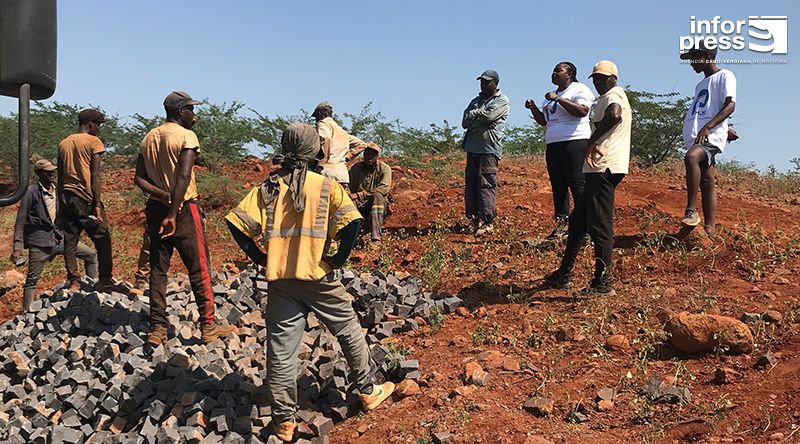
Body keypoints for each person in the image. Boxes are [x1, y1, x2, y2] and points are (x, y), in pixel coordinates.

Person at [225, 123, 395, 442]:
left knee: (281, 349)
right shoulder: (325, 185)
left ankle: (284, 422)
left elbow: (236, 223)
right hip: (317, 276)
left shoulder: (269, 187)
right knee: (347, 329)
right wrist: (336, 260)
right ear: (317, 151)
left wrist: (260, 256)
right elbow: (353, 224)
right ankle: (368, 391)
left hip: (282, 279)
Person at [133, 91, 236, 346]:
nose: (195, 115)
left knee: (158, 269)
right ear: (180, 111)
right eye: (191, 109)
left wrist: (163, 197)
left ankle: (157, 327)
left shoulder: (149, 137)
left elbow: (139, 178)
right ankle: (208, 325)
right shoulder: (186, 136)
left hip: (156, 208)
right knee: (199, 267)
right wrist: (173, 211)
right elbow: (183, 175)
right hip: (183, 210)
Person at [544, 61, 631, 297]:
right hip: (597, 168)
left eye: (603, 78)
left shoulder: (615, 94)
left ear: (614, 77)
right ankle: (564, 273)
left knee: (599, 224)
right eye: (596, 78)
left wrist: (591, 142)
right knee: (578, 222)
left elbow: (614, 115)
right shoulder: (606, 96)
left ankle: (603, 283)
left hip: (605, 166)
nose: (599, 82)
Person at [11, 159, 98, 310]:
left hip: (60, 238)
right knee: (32, 280)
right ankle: (27, 314)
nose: (51, 174)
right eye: (47, 172)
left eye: (52, 171)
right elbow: (20, 221)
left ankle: (94, 293)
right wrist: (17, 248)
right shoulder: (31, 193)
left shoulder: (58, 190)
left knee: (90, 255)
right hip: (40, 242)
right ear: (38, 173)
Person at [525, 62, 595, 240]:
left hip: (574, 141)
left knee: (577, 183)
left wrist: (558, 99)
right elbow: (544, 121)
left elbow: (582, 111)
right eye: (553, 70)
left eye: (559, 70)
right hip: (554, 143)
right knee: (558, 185)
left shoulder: (579, 89)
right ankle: (562, 225)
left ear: (569, 74)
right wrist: (533, 107)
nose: (554, 73)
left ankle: (584, 227)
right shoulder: (549, 96)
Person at [680, 40, 737, 237]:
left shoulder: (725, 75)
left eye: (695, 58)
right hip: (698, 136)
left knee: (691, 158)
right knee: (707, 180)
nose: (692, 63)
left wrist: (710, 127)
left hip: (709, 135)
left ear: (708, 56)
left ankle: (691, 210)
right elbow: (710, 108)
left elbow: (730, 105)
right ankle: (710, 229)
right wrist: (726, 127)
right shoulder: (700, 84)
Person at [56, 108, 115, 292]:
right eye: (98, 125)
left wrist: (60, 202)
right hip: (86, 198)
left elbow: (59, 175)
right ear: (91, 124)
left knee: (70, 241)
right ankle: (105, 280)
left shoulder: (64, 143)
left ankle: (74, 280)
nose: (99, 129)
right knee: (103, 239)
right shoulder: (93, 141)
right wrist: (96, 205)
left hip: (66, 196)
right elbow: (96, 175)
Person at [461, 69, 509, 236]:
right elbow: (464, 121)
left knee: (487, 183)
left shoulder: (502, 100)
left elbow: (489, 118)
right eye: (482, 81)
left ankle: (488, 221)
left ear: (495, 83)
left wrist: (477, 116)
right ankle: (473, 219)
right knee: (472, 183)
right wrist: (478, 116)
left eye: (487, 82)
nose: (483, 84)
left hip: (489, 148)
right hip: (472, 146)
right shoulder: (476, 100)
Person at [312, 100, 368, 188]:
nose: (316, 119)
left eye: (316, 116)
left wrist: (322, 162)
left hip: (327, 174)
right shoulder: (341, 131)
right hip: (342, 175)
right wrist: (346, 157)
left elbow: (326, 138)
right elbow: (362, 144)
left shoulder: (322, 125)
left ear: (320, 113)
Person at [348, 143, 392, 241]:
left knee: (377, 196)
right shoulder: (356, 168)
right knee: (347, 202)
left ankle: (375, 238)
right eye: (367, 154)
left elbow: (384, 188)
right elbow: (349, 186)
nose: (369, 157)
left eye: (372, 155)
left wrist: (360, 195)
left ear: (377, 156)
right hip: (359, 204)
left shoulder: (385, 169)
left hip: (375, 204)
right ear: (363, 155)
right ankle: (347, 238)